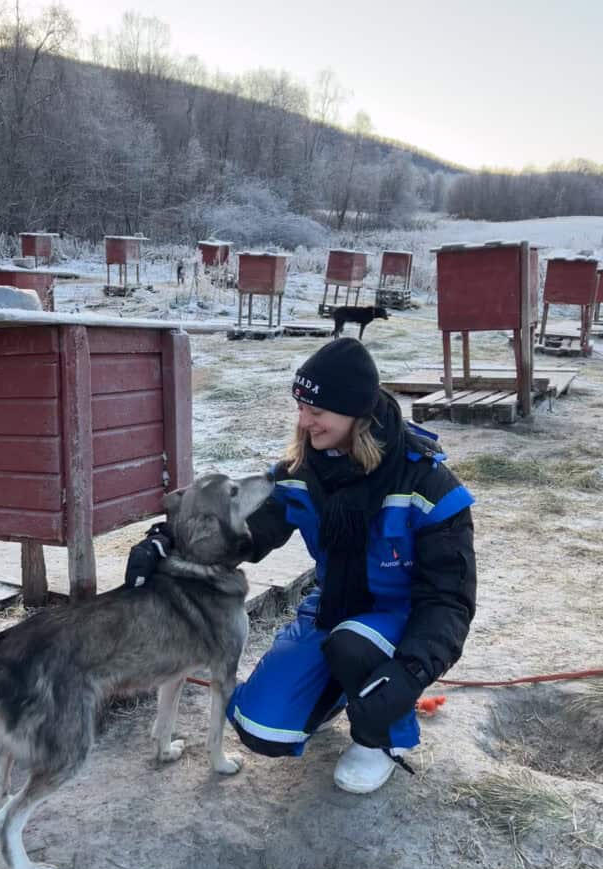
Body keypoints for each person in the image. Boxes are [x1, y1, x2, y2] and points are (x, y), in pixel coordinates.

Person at [125, 337, 476, 794]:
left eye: (317, 410)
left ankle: (382, 738)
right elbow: (240, 525)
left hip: (399, 620)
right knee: (259, 726)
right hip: (331, 608)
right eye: (300, 406)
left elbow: (449, 600)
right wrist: (164, 540)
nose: (304, 421)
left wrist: (410, 671)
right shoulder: (304, 472)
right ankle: (339, 692)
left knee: (354, 646)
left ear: (356, 413)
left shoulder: (427, 484)